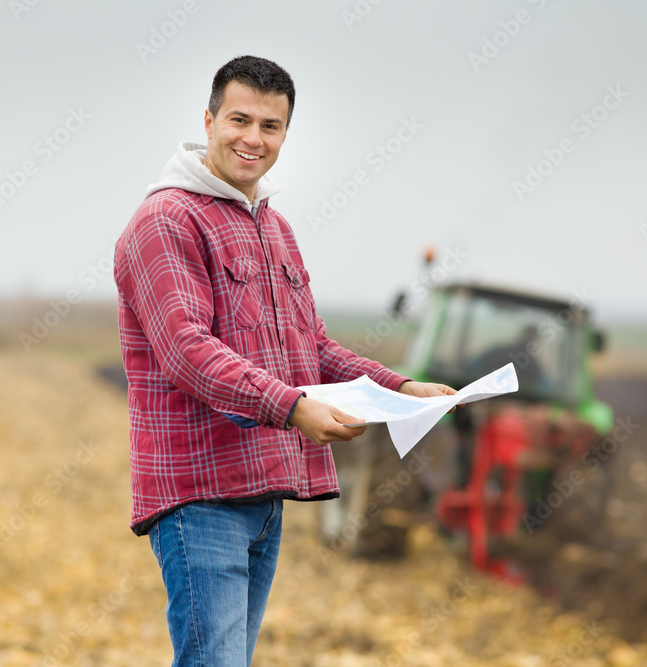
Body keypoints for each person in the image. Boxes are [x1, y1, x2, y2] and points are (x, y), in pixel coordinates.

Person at [113, 55, 455, 666]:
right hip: (199, 494)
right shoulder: (166, 221)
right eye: (239, 120)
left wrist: (402, 388)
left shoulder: (275, 229)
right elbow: (187, 352)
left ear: (285, 135)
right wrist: (293, 406)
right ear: (210, 120)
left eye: (270, 126)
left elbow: (313, 348)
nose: (253, 138)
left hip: (262, 491)